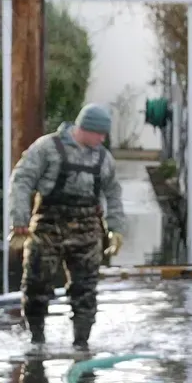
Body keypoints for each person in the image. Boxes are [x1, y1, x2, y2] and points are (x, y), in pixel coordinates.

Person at [8, 104, 125, 350]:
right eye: (99, 134)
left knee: (86, 291)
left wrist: (115, 228)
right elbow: (21, 180)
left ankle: (81, 345)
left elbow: (113, 193)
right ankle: (36, 341)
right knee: (36, 286)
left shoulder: (104, 158)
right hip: (47, 228)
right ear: (85, 128)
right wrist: (19, 221)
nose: (102, 139)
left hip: (87, 231)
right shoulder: (47, 148)